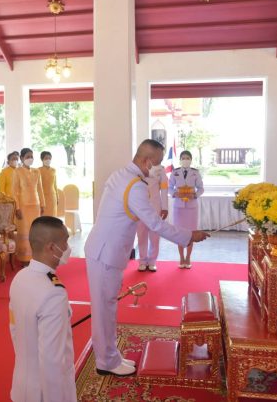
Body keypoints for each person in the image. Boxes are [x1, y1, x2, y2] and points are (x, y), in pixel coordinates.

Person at [85, 139, 209, 376]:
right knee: (103, 311)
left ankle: (110, 356)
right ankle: (106, 362)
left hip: (105, 250)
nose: (160, 168)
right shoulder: (135, 185)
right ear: (147, 161)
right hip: (105, 252)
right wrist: (189, 235)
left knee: (107, 308)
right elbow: (154, 223)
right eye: (159, 163)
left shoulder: (122, 175)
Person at [9, 216, 76, 402]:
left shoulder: (20, 278)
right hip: (44, 393)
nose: (68, 248)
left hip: (21, 385)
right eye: (66, 242)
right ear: (51, 247)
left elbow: (14, 330)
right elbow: (51, 361)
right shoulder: (54, 293)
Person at [168, 150, 204, 269]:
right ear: (180, 159)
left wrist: (194, 195)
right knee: (179, 233)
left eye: (187, 158)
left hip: (191, 208)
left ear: (191, 160)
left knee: (191, 233)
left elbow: (201, 188)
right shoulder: (175, 172)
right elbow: (169, 187)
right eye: (183, 158)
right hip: (179, 207)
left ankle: (188, 257)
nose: (185, 160)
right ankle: (181, 257)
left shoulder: (195, 173)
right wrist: (174, 194)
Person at [12, 148, 45, 263]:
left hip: (35, 206)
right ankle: (24, 258)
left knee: (35, 232)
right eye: (27, 157)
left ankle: (35, 257)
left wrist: (42, 204)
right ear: (21, 158)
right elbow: (14, 191)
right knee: (25, 232)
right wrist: (17, 208)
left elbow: (40, 189)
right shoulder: (17, 171)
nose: (30, 159)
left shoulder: (37, 172)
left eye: (31, 156)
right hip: (23, 206)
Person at [136, 163, 169, 272]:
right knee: (141, 235)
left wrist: (165, 207)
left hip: (155, 207)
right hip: (140, 206)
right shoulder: (138, 167)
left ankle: (152, 261)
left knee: (155, 236)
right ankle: (142, 261)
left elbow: (164, 189)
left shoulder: (160, 170)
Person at [39, 151, 59, 217]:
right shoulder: (38, 170)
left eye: (49, 158)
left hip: (52, 197)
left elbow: (55, 185)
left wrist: (57, 197)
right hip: (43, 197)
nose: (48, 160)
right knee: (44, 217)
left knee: (52, 216)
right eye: (46, 158)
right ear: (42, 159)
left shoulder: (53, 170)